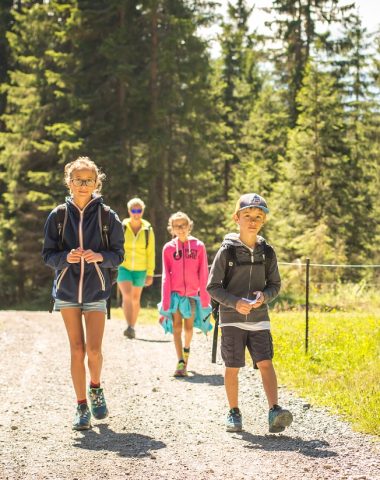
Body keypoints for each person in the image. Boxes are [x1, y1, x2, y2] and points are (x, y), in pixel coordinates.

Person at [42, 157, 124, 431]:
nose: (84, 185)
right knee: (76, 350)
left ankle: (96, 388)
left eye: (89, 180)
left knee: (94, 350)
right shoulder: (58, 216)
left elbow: (118, 255)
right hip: (66, 290)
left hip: (96, 289)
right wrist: (67, 257)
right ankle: (81, 406)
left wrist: (99, 256)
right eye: (78, 180)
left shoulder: (107, 216)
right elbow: (48, 255)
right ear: (69, 182)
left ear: (96, 183)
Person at [207, 193, 293, 433]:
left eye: (258, 216)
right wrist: (235, 303)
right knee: (233, 365)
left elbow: (275, 285)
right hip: (232, 319)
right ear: (237, 218)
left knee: (266, 362)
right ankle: (234, 412)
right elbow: (212, 287)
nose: (253, 221)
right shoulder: (227, 251)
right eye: (247, 216)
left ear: (263, 220)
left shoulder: (268, 252)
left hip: (259, 319)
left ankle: (274, 410)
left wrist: (263, 297)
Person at [159, 212, 212, 377]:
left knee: (188, 328)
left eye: (184, 225)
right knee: (177, 326)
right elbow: (165, 275)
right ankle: (181, 361)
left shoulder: (199, 246)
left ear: (189, 226)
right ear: (172, 229)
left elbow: (203, 272)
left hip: (192, 295)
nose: (181, 229)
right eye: (177, 226)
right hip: (175, 295)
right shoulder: (168, 248)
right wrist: (165, 299)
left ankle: (186, 350)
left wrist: (205, 297)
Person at [117, 198, 155, 339]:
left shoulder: (148, 229)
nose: (136, 213)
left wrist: (150, 273)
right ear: (129, 211)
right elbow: (116, 246)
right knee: (126, 295)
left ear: (142, 211)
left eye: (139, 210)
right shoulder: (122, 226)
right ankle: (128, 326)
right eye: (134, 210)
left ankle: (132, 326)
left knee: (135, 299)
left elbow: (151, 253)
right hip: (123, 267)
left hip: (141, 269)